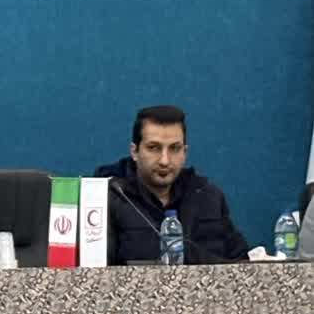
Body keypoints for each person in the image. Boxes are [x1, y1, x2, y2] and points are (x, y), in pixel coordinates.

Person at [97, 104, 249, 264]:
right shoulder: (108, 199)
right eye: (153, 148)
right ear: (135, 152)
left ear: (185, 153)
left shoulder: (208, 197)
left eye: (174, 148)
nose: (164, 160)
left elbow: (245, 265)